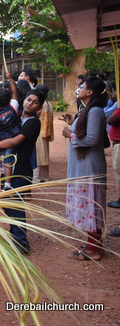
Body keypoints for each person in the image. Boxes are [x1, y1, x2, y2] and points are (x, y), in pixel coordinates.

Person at [0, 89, 45, 254]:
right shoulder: (16, 115)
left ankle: (21, 242)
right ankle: (15, 235)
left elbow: (15, 141)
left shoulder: (33, 123)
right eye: (29, 99)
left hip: (20, 168)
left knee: (15, 205)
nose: (30, 104)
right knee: (7, 203)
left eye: (35, 102)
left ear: (39, 107)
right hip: (8, 167)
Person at [60, 77, 108, 260]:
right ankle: (95, 245)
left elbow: (92, 139)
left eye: (82, 86)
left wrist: (70, 134)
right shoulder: (87, 110)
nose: (78, 89)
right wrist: (74, 121)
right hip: (83, 166)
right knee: (90, 205)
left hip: (89, 168)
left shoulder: (94, 111)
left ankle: (93, 250)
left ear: (90, 92)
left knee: (91, 206)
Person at [35, 84, 54, 182]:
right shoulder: (48, 103)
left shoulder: (40, 104)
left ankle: (36, 177)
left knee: (38, 156)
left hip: (39, 132)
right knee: (44, 155)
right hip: (46, 132)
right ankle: (44, 176)